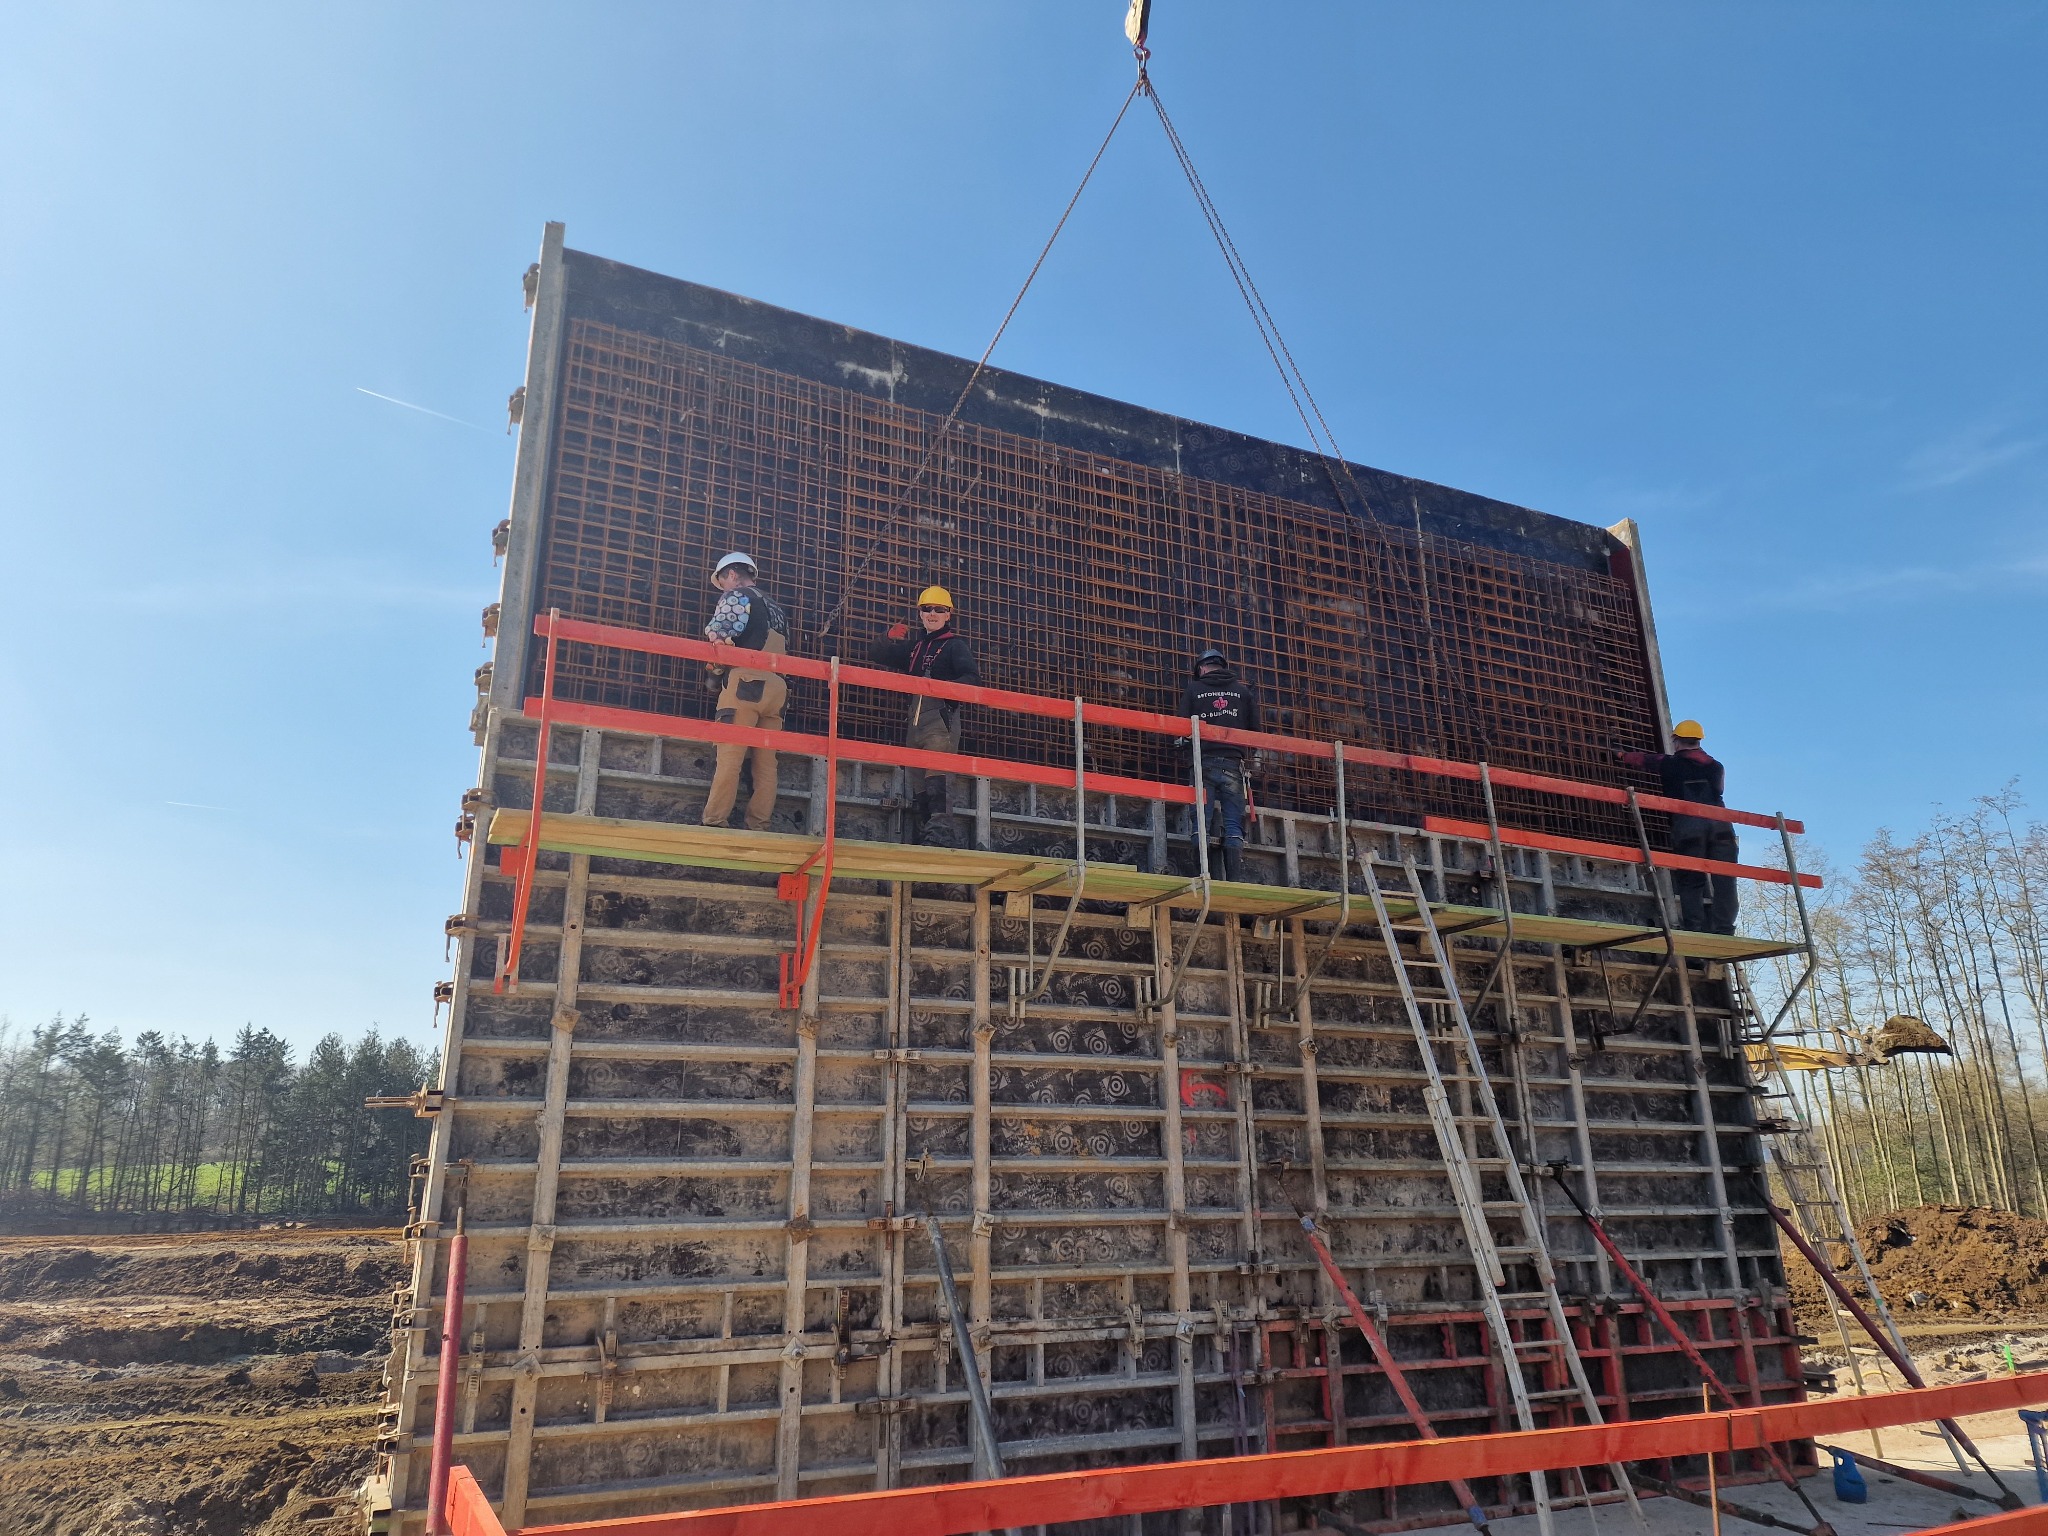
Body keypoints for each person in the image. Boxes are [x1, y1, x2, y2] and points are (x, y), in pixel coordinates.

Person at [871, 585, 979, 846]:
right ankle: (926, 836)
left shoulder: (955, 646)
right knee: (919, 784)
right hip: (915, 723)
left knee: (937, 780)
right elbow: (876, 654)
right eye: (927, 609)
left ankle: (941, 837)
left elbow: (972, 679)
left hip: (940, 721)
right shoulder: (915, 648)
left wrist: (945, 693)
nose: (932, 613)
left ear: (948, 614)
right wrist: (887, 636)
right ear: (920, 613)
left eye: (939, 609)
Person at [1619, 719, 1738, 935]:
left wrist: (1620, 755)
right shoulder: (1716, 767)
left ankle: (1694, 928)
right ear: (1699, 740)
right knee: (1726, 880)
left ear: (1676, 740)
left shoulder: (1669, 763)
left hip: (1689, 827)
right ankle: (1725, 929)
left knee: (1692, 881)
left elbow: (1644, 760)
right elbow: (1718, 789)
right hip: (1721, 827)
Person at [700, 551, 790, 832]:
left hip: (746, 684)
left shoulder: (737, 596)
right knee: (766, 764)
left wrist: (714, 673)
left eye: (724, 581)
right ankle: (759, 824)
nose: (724, 589)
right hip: (777, 688)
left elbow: (719, 638)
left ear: (732, 575)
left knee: (730, 755)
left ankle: (715, 820)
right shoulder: (776, 607)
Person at [1181, 647, 1260, 882]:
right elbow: (1255, 731)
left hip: (1201, 763)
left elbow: (1180, 728)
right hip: (1233, 764)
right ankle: (1234, 879)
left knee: (1201, 822)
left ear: (1202, 668)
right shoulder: (1242, 692)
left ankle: (1202, 875)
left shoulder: (1194, 690)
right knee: (1234, 822)